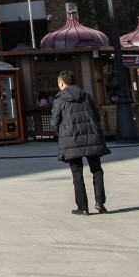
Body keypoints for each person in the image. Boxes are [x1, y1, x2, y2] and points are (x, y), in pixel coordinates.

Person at [51, 70, 111, 215]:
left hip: (71, 140)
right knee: (97, 170)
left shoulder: (59, 100)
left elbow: (54, 123)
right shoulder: (87, 96)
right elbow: (97, 116)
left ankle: (83, 207)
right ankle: (100, 202)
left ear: (61, 83)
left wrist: (63, 133)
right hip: (92, 138)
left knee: (77, 173)